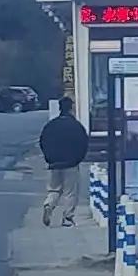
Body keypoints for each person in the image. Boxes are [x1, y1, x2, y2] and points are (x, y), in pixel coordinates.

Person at [37, 96, 92, 225]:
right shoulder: (76, 126)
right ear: (71, 108)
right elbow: (83, 143)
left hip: (53, 164)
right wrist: (78, 159)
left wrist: (48, 158)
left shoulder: (51, 125)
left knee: (54, 189)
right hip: (71, 164)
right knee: (70, 192)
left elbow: (42, 142)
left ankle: (48, 205)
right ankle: (67, 217)